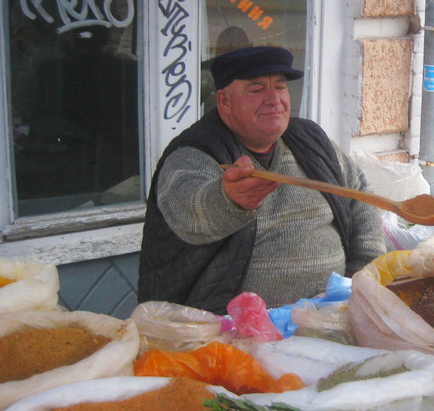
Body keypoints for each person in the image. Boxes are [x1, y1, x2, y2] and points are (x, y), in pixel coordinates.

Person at [138, 45, 386, 314]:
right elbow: (188, 213)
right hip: (236, 332)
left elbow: (360, 197)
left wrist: (364, 277)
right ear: (224, 101)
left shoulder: (311, 140)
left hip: (333, 314)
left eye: (280, 87)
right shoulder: (195, 152)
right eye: (256, 90)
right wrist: (227, 201)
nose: (273, 100)